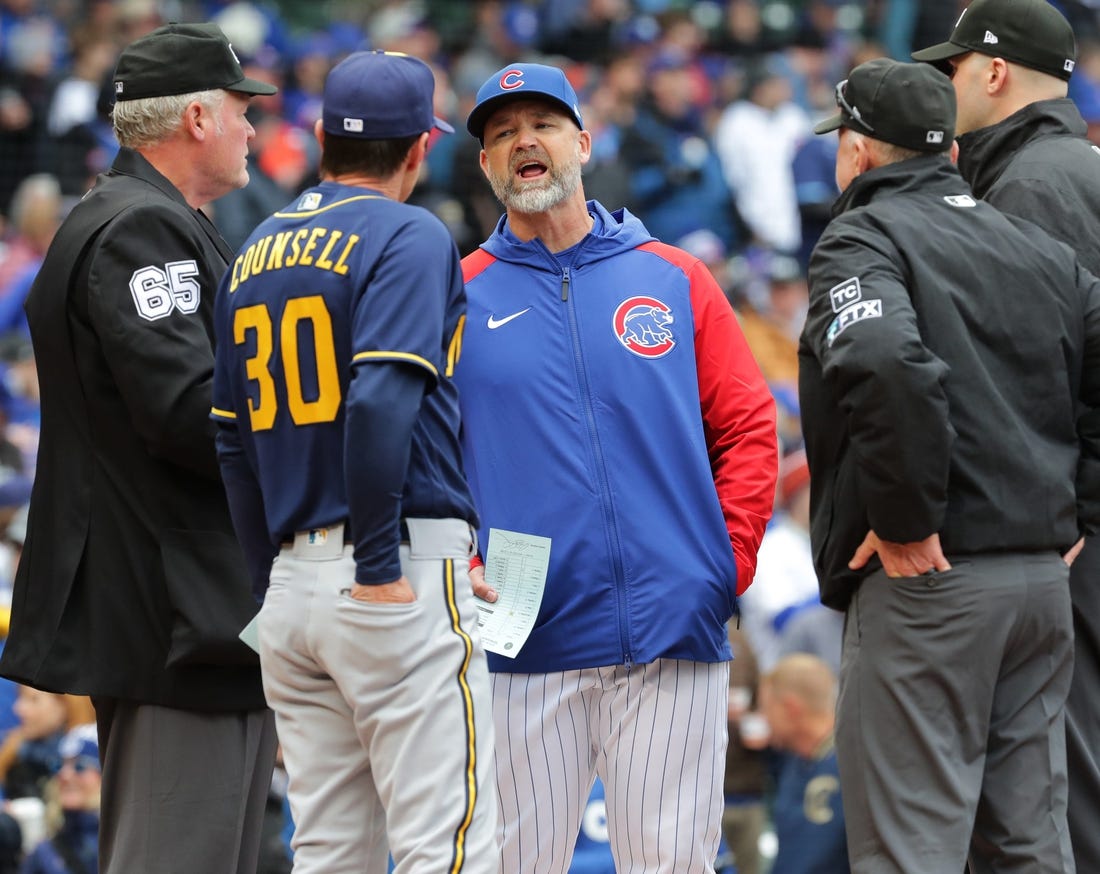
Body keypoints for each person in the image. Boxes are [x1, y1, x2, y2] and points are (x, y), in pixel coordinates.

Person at [457, 62, 778, 873]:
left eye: (542, 125)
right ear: (488, 167)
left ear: (583, 143)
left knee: (670, 865)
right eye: (501, 134)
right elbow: (421, 458)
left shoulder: (676, 277)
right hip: (523, 639)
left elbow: (747, 426)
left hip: (671, 629)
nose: (523, 141)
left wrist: (724, 562)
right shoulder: (454, 297)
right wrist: (460, 565)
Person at [800, 57, 1100, 873]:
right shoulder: (1030, 243)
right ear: (951, 155)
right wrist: (1080, 511)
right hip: (1041, 585)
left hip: (931, 583)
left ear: (859, 153)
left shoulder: (863, 235)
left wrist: (903, 520)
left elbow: (887, 364)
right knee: (1031, 844)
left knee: (911, 849)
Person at [210, 50, 499, 874]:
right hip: (390, 570)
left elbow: (230, 438)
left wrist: (270, 581)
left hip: (295, 592)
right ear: (419, 148)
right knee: (448, 847)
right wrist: (376, 562)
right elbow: (378, 402)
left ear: (322, 137)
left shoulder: (256, 246)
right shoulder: (408, 232)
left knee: (333, 852)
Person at [0, 22, 278, 874]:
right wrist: (324, 438)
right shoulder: (139, 230)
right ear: (197, 117)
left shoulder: (156, 220)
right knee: (175, 855)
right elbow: (190, 412)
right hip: (175, 607)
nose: (253, 130)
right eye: (241, 110)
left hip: (190, 598)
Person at [911, 2, 1100, 867]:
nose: (944, 86)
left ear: (993, 73)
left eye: (953, 69)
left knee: (1063, 777)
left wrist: (1076, 510)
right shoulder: (1073, 165)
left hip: (1068, 534)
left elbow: (1048, 376)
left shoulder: (1030, 183)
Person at [757, 654, 848, 874]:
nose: (764, 718)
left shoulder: (851, 767)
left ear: (791, 708)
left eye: (766, 708)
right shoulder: (795, 761)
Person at [18, 723, 100, 874]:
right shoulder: (44, 852)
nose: (65, 775)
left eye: (79, 766)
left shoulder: (128, 842)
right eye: (58, 766)